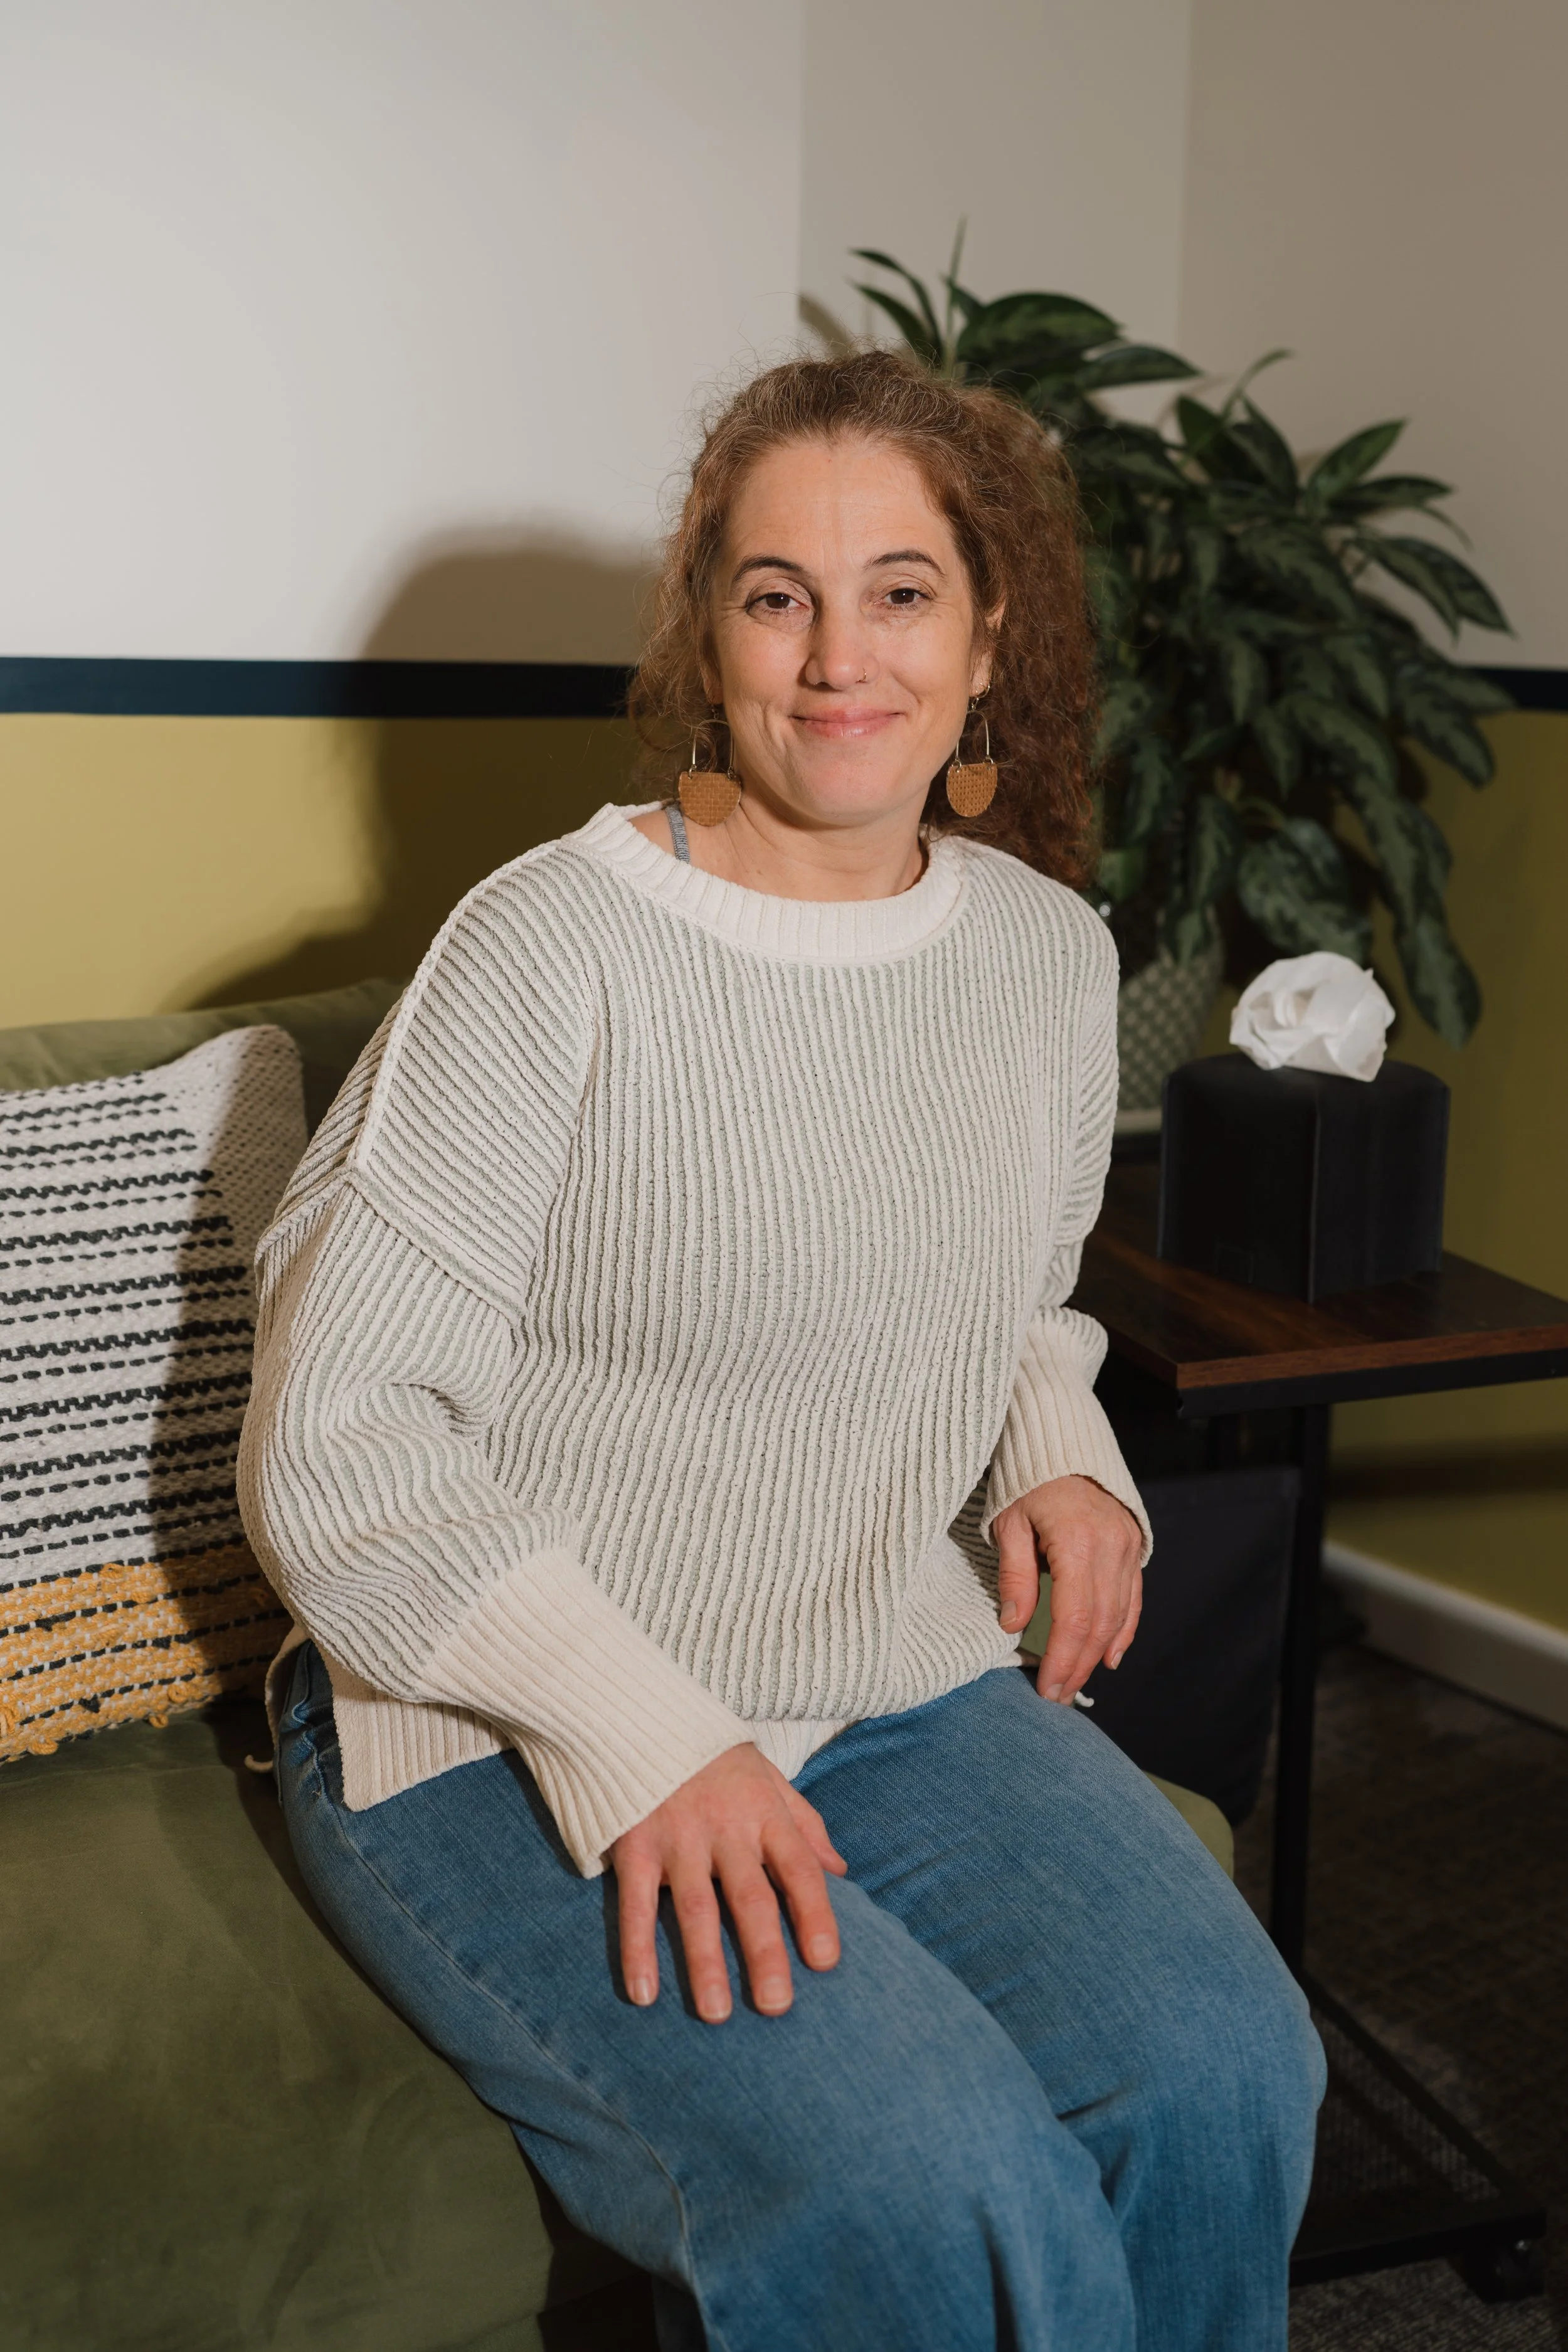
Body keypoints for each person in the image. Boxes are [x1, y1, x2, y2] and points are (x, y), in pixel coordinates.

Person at [239, 348, 1323, 2352]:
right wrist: (650, 1737)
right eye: (775, 594)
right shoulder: (545, 946)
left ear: (990, 635)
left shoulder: (1039, 953)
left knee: (1225, 2066)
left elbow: (998, 1289)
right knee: (929, 2187)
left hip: (874, 1658)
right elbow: (341, 1443)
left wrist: (1050, 1440)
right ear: (706, 633)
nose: (840, 657)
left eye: (901, 590)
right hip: (474, 1714)